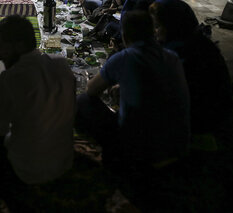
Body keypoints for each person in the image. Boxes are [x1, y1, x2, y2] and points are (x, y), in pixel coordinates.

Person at [76, 11, 190, 168]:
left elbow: (91, 90)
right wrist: (125, 87)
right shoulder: (172, 57)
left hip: (140, 151)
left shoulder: (124, 57)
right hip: (178, 145)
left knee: (82, 101)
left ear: (124, 34)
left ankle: (116, 157)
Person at [0, 15, 75, 184]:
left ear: (20, 46)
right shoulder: (61, 64)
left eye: (0, 47)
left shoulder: (9, 79)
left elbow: (0, 128)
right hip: (65, 160)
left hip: (28, 169)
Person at [149, 0, 232, 135]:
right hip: (210, 114)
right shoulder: (196, 40)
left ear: (172, 25)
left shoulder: (184, 54)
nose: (155, 31)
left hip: (199, 121)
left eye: (158, 26)